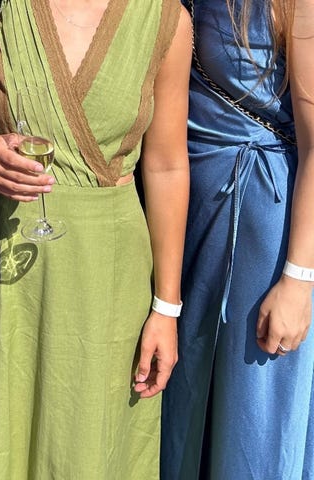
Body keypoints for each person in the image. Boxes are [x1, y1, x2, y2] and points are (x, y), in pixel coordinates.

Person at [0, 0, 191, 478]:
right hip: (3, 268)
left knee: (86, 446)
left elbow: (167, 166)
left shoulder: (167, 19)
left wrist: (166, 308)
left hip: (108, 280)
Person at [161, 1, 314, 478]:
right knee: (183, 412)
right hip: (185, 225)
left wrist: (298, 279)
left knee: (250, 426)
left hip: (260, 232)